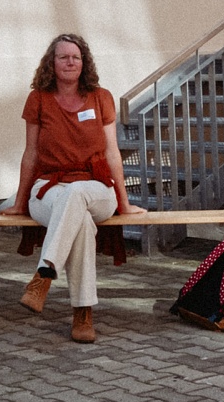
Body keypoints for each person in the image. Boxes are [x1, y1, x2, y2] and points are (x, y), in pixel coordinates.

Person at [12, 33, 141, 344]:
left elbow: (112, 152)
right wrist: (19, 202)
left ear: (84, 63)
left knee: (77, 194)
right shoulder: (38, 99)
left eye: (76, 57)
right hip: (50, 187)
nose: (70, 62)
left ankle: (43, 275)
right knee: (79, 220)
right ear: (52, 63)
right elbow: (31, 153)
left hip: (97, 187)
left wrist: (124, 203)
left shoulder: (101, 97)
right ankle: (83, 313)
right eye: (63, 57)